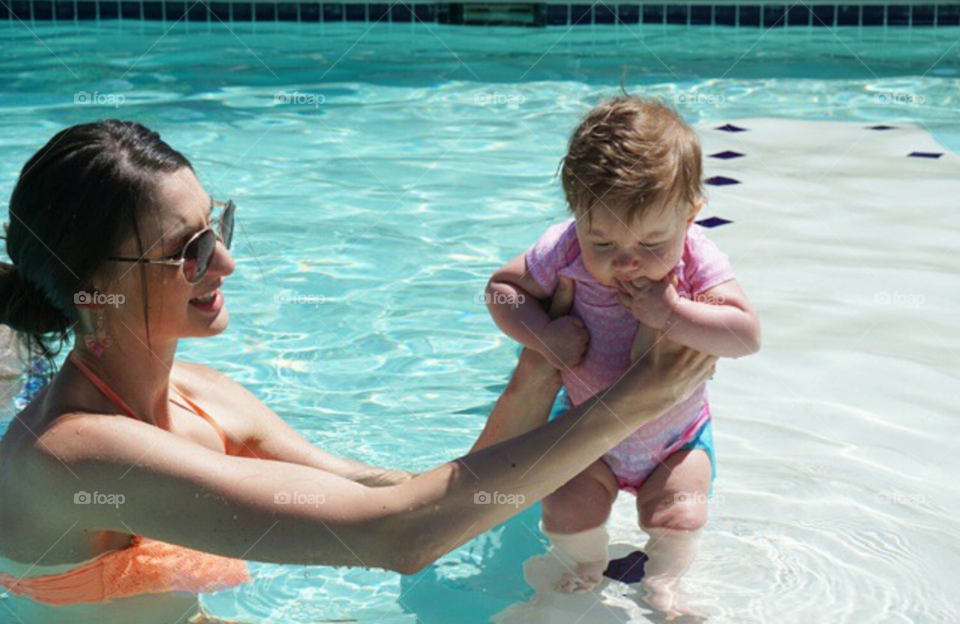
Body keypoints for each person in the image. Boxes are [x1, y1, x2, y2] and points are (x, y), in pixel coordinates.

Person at [0, 120, 716, 624]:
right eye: (188, 248)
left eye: (216, 228)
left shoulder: (204, 401)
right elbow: (393, 539)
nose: (224, 263)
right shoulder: (73, 454)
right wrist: (631, 401)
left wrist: (536, 376)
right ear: (92, 280)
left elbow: (420, 500)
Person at [484, 96, 761, 610]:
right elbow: (502, 288)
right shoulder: (564, 247)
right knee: (566, 509)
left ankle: (666, 585)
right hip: (587, 433)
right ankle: (585, 568)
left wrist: (672, 311)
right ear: (577, 218)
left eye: (652, 243)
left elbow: (744, 335)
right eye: (603, 244)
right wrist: (542, 333)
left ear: (690, 213)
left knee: (678, 515)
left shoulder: (699, 255)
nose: (627, 262)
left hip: (677, 439)